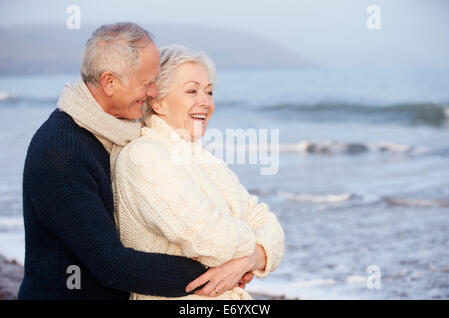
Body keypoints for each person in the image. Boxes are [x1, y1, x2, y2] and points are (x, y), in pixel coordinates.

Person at [19, 22, 253, 300]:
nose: (155, 92)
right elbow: (112, 265)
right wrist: (220, 275)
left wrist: (245, 261)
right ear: (109, 82)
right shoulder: (60, 153)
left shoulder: (117, 134)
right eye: (148, 83)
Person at [113, 45, 285, 300]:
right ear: (158, 102)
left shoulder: (203, 158)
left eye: (209, 92)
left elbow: (266, 221)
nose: (205, 102)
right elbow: (214, 242)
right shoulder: (144, 156)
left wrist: (248, 259)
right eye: (192, 91)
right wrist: (255, 253)